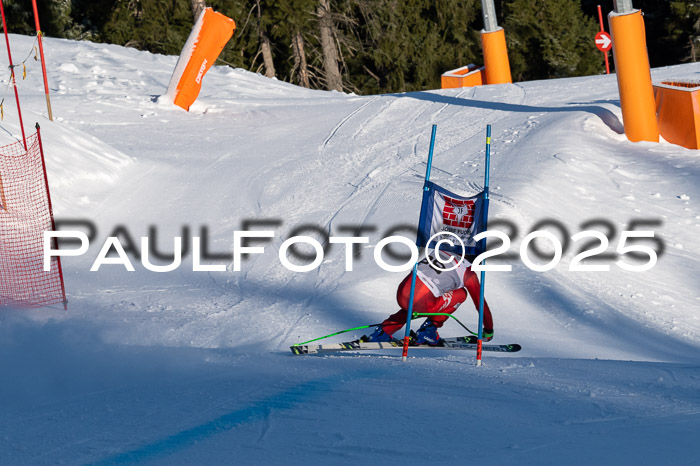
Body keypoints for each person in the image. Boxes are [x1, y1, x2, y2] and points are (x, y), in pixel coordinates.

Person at [363, 249, 494, 346]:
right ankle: (428, 331)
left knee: (418, 298)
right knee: (460, 294)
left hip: (402, 292)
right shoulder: (467, 272)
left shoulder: (441, 250)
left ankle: (383, 332)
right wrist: (488, 329)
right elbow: (480, 304)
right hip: (420, 302)